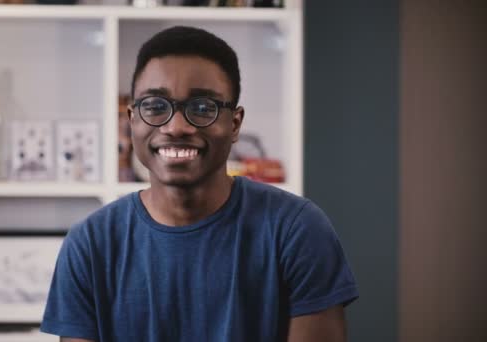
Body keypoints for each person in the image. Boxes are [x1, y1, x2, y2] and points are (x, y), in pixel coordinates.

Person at [40, 26, 358, 342]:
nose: (176, 127)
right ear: (132, 120)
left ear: (234, 124)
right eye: (154, 106)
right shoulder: (90, 244)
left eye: (203, 108)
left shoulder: (297, 230)